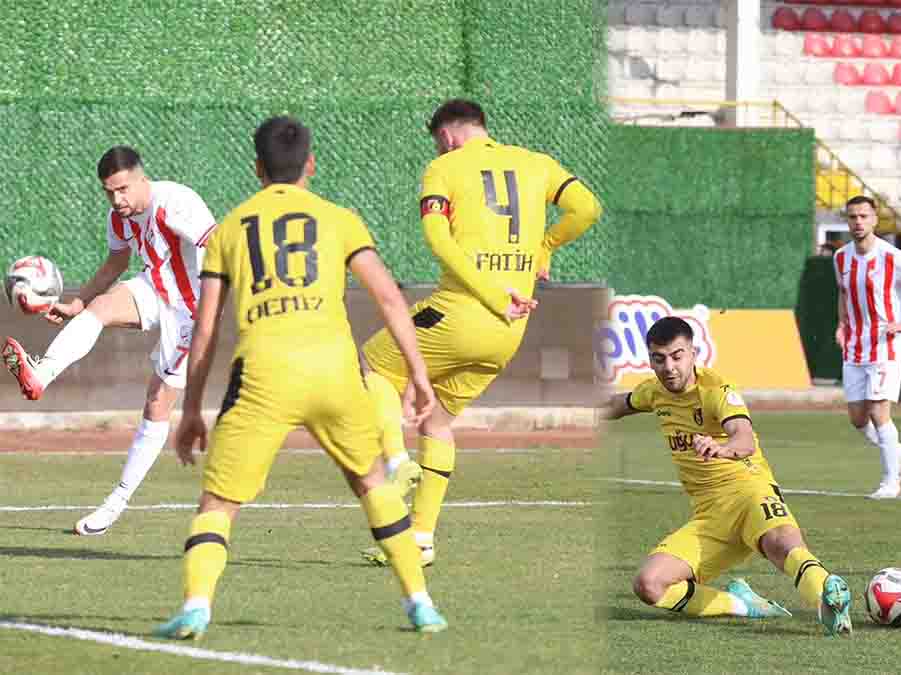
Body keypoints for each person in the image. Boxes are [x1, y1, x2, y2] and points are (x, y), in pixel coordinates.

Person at [153, 116, 446, 639]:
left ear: (257, 168)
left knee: (219, 503)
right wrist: (419, 374)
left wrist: (192, 407)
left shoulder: (229, 229)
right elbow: (387, 297)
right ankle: (420, 603)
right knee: (373, 483)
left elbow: (206, 329)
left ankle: (197, 605)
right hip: (336, 371)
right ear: (310, 164)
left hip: (264, 373)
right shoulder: (340, 219)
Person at [358, 99, 602, 568]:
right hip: (510, 329)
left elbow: (439, 240)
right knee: (438, 422)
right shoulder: (537, 164)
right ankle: (422, 538)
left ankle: (395, 460)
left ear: (447, 136)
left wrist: (490, 292)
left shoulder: (444, 167)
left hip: (462, 311)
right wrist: (544, 245)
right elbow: (587, 208)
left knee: (373, 365)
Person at [3, 147, 216, 536]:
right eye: (108, 192)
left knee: (156, 403)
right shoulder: (120, 219)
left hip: (193, 311)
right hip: (156, 289)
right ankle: (41, 374)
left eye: (122, 189)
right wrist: (78, 303)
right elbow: (116, 264)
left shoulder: (176, 202)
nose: (117, 200)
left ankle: (116, 502)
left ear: (141, 178)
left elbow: (220, 248)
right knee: (99, 308)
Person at [603, 317, 853, 636]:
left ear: (694, 353)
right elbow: (617, 404)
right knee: (649, 585)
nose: (669, 367)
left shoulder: (717, 390)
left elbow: (744, 439)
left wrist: (721, 449)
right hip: (710, 517)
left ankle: (829, 603)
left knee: (783, 545)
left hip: (750, 493)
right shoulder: (653, 392)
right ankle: (742, 604)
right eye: (659, 358)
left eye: (677, 356)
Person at [835, 196, 901, 498]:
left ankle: (890, 482)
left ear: (874, 220)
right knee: (858, 418)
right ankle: (897, 451)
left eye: (864, 216)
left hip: (885, 346)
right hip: (855, 346)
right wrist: (841, 324)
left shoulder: (892, 257)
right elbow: (843, 293)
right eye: (853, 217)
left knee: (880, 412)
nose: (858, 222)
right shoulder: (841, 258)